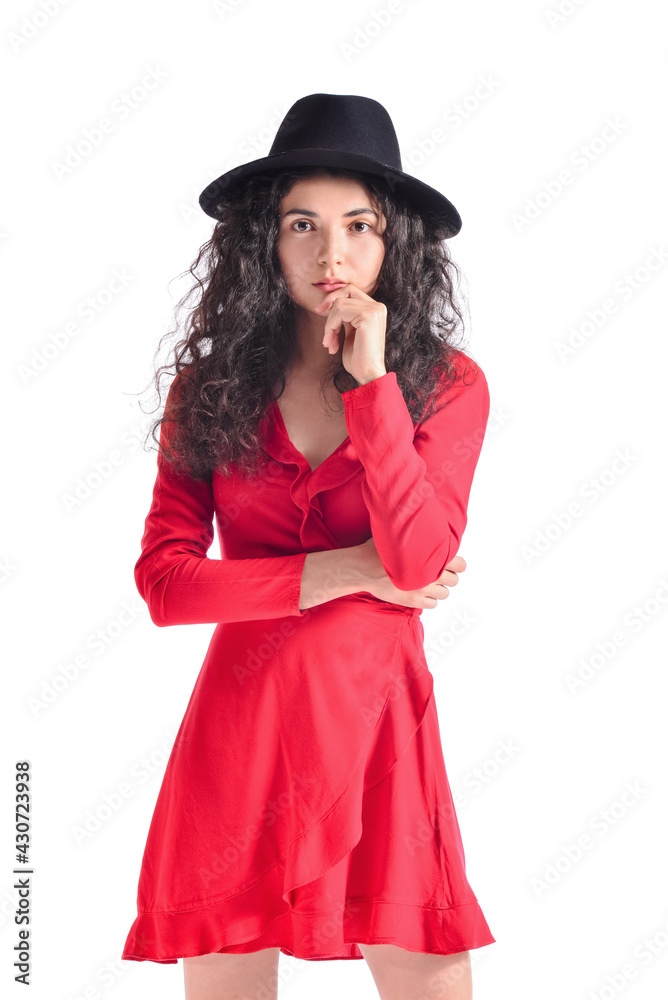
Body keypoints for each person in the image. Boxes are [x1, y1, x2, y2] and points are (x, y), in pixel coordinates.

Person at [121, 93, 495, 1000]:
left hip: (378, 735)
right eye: (303, 225)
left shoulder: (447, 387)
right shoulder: (207, 389)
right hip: (239, 734)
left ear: (393, 242)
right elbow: (168, 587)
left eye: (360, 226)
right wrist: (349, 572)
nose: (333, 255)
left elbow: (418, 561)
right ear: (266, 241)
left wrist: (373, 388)